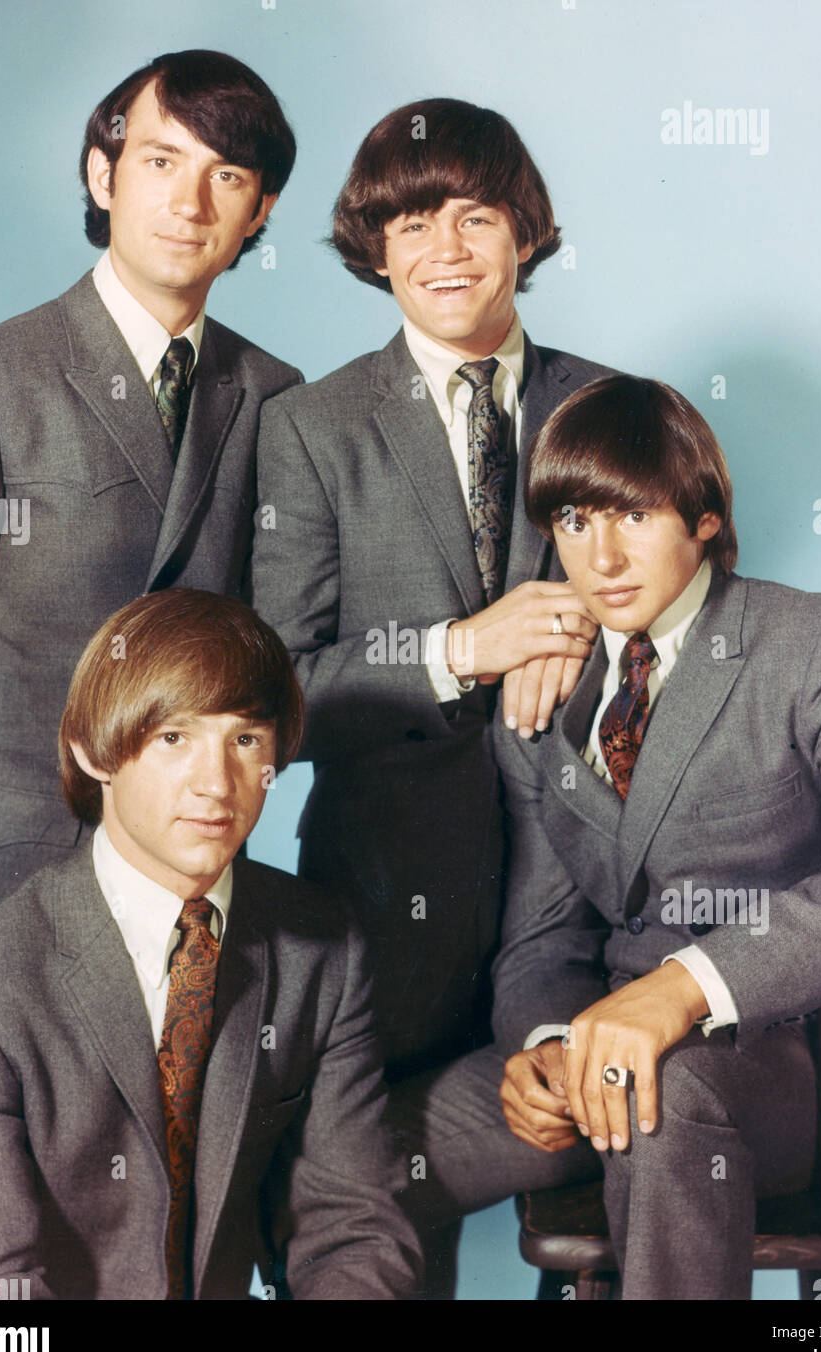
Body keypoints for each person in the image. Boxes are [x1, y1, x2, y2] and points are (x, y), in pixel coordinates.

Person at [391, 373, 821, 1298]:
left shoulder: (813, 643)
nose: (599, 555)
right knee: (340, 1158)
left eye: (632, 516)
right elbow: (544, 938)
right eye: (571, 521)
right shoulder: (544, 692)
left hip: (789, 1071)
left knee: (663, 1099)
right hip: (594, 1056)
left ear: (704, 518)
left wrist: (683, 990)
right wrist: (543, 1042)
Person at [0, 590, 422, 1300]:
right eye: (174, 738)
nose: (216, 784)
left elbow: (355, 1231)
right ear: (94, 751)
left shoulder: (321, 950)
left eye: (244, 740)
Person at [0, 49, 301, 956]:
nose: (189, 203)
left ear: (260, 210)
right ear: (103, 173)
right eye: (161, 161)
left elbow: (275, 653)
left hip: (185, 892)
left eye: (225, 175)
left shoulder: (274, 394)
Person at [252, 97, 612, 1077]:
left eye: (474, 217)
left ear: (523, 232)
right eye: (413, 223)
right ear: (375, 248)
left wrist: (579, 628)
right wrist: (459, 650)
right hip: (382, 902)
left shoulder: (611, 409)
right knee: (365, 1204)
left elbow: (693, 622)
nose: (443, 249)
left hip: (590, 901)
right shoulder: (310, 430)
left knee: (625, 1156)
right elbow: (279, 695)